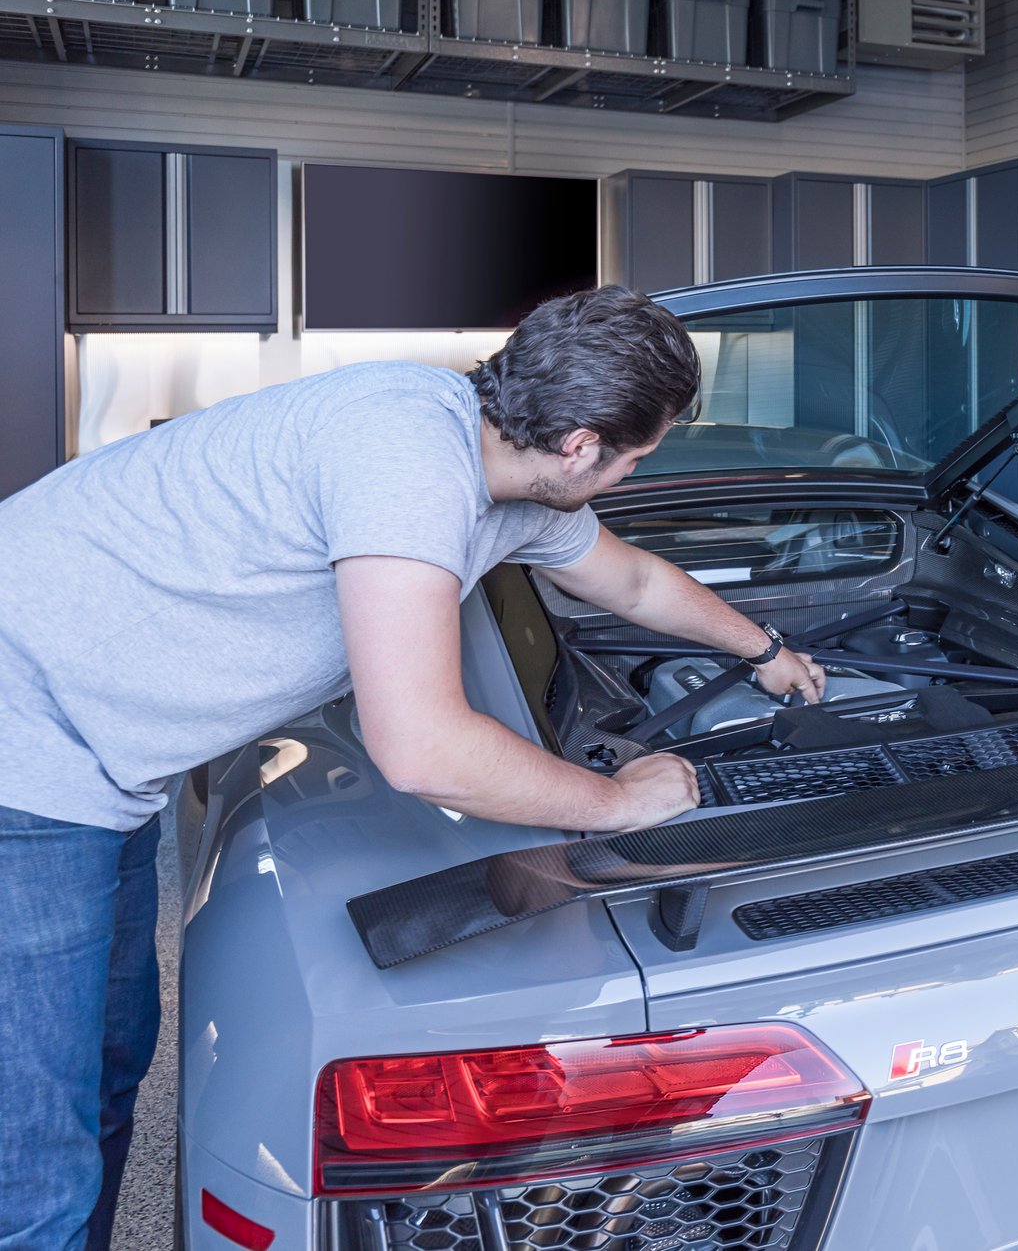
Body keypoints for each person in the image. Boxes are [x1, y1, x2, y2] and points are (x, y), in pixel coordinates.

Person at [0, 285, 827, 1251]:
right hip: (24, 746)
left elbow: (634, 578)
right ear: (578, 444)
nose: (631, 477)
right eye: (633, 458)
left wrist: (763, 649)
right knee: (35, 1155)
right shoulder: (404, 453)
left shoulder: (503, 481)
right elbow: (421, 744)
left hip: (106, 764)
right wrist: (614, 800)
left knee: (103, 1064)